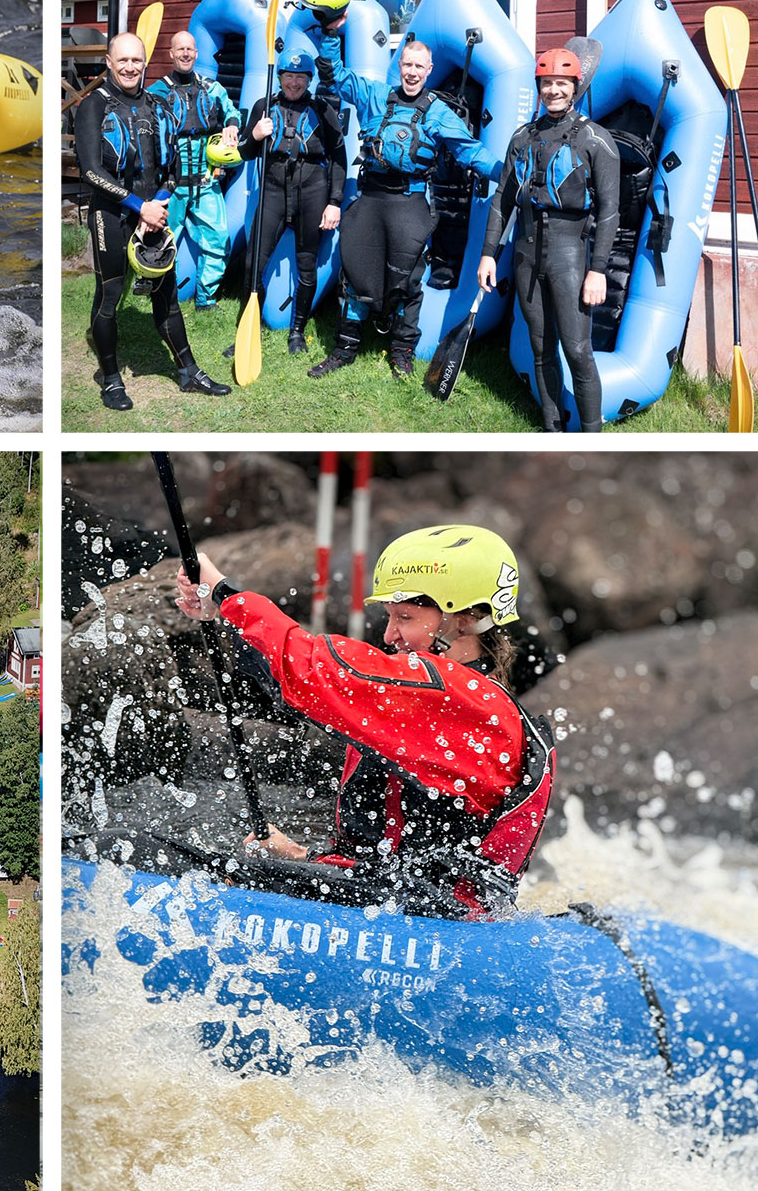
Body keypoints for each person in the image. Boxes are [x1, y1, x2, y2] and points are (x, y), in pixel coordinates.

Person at [174, 524, 554, 916]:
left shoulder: (457, 697)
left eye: (404, 617)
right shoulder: (464, 699)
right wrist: (302, 858)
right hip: (409, 904)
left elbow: (312, 670)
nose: (390, 635)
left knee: (164, 858)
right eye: (389, 617)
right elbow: (296, 690)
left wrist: (225, 594)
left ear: (465, 619)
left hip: (425, 918)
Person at [303, 0, 500, 380]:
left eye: (418, 67)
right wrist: (330, 32)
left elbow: (471, 152)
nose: (411, 72)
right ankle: (345, 347)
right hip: (371, 198)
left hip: (411, 204)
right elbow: (335, 76)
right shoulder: (376, 95)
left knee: (408, 280)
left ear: (429, 70)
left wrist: (509, 174)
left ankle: (402, 351)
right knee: (354, 272)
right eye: (406, 65)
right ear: (400, 66)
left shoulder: (439, 112)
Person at [73, 31, 230, 411]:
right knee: (109, 297)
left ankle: (188, 371)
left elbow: (173, 169)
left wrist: (156, 206)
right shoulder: (94, 105)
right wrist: (137, 207)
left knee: (166, 295)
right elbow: (90, 170)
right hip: (111, 215)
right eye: (122, 60)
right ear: (109, 63)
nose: (130, 67)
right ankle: (111, 379)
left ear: (144, 63)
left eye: (136, 60)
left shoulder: (157, 106)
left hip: (153, 215)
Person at [478, 48, 619, 432]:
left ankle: (592, 438)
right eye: (547, 83)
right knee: (541, 348)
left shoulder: (595, 139)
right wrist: (488, 254)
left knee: (577, 351)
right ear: (538, 87)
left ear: (575, 87)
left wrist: (597, 270)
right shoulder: (523, 137)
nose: (553, 90)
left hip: (569, 256)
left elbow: (610, 211)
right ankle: (553, 430)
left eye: (561, 83)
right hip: (526, 257)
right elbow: (503, 199)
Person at [237, 50, 346, 354]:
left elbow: (339, 157)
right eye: (288, 76)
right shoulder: (264, 106)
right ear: (280, 77)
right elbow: (244, 152)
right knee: (253, 263)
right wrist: (255, 135)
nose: (294, 83)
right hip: (272, 191)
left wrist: (335, 201)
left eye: (300, 77)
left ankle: (297, 330)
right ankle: (250, 327)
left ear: (309, 80)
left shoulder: (322, 110)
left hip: (312, 192)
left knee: (306, 265)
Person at [146, 31, 241, 310]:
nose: (185, 54)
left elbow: (232, 111)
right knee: (162, 241)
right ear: (171, 54)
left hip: (205, 180)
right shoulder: (156, 92)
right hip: (170, 183)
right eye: (180, 49)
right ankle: (161, 296)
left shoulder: (212, 89)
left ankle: (206, 299)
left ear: (196, 54)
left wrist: (232, 124)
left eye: (190, 49)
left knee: (218, 240)